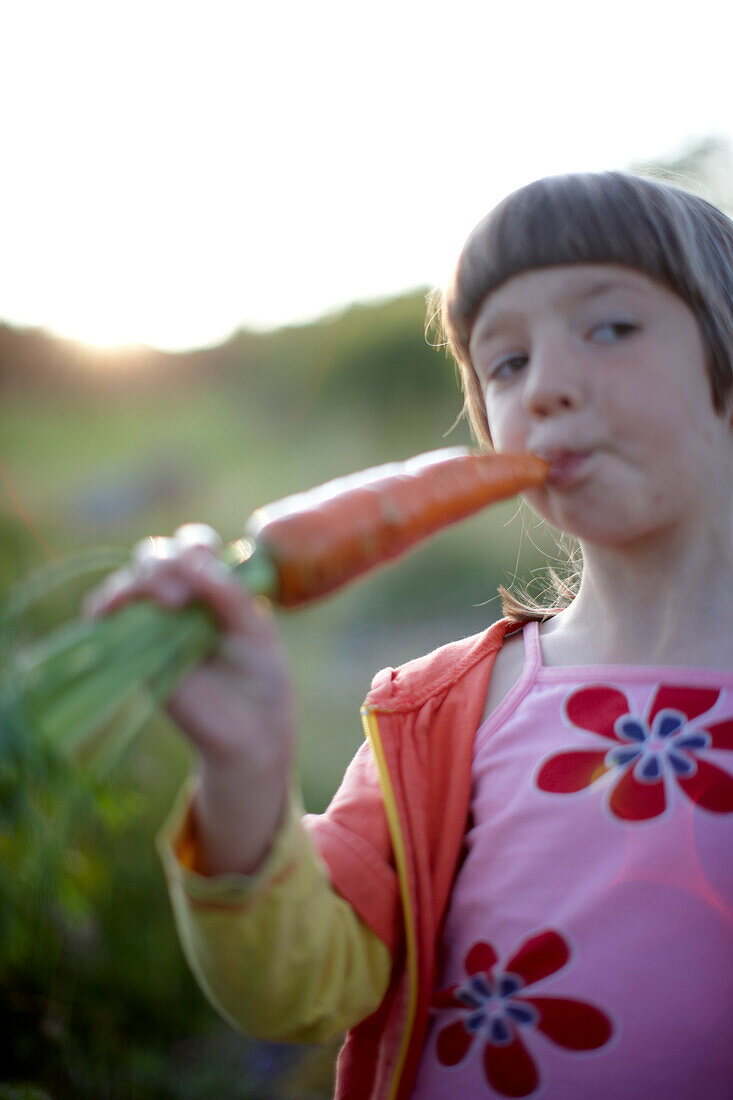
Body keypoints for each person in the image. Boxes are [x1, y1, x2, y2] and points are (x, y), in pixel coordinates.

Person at [84, 171, 733, 1099]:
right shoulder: (442, 714)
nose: (544, 385)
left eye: (609, 327)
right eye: (505, 362)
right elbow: (299, 991)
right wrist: (243, 773)